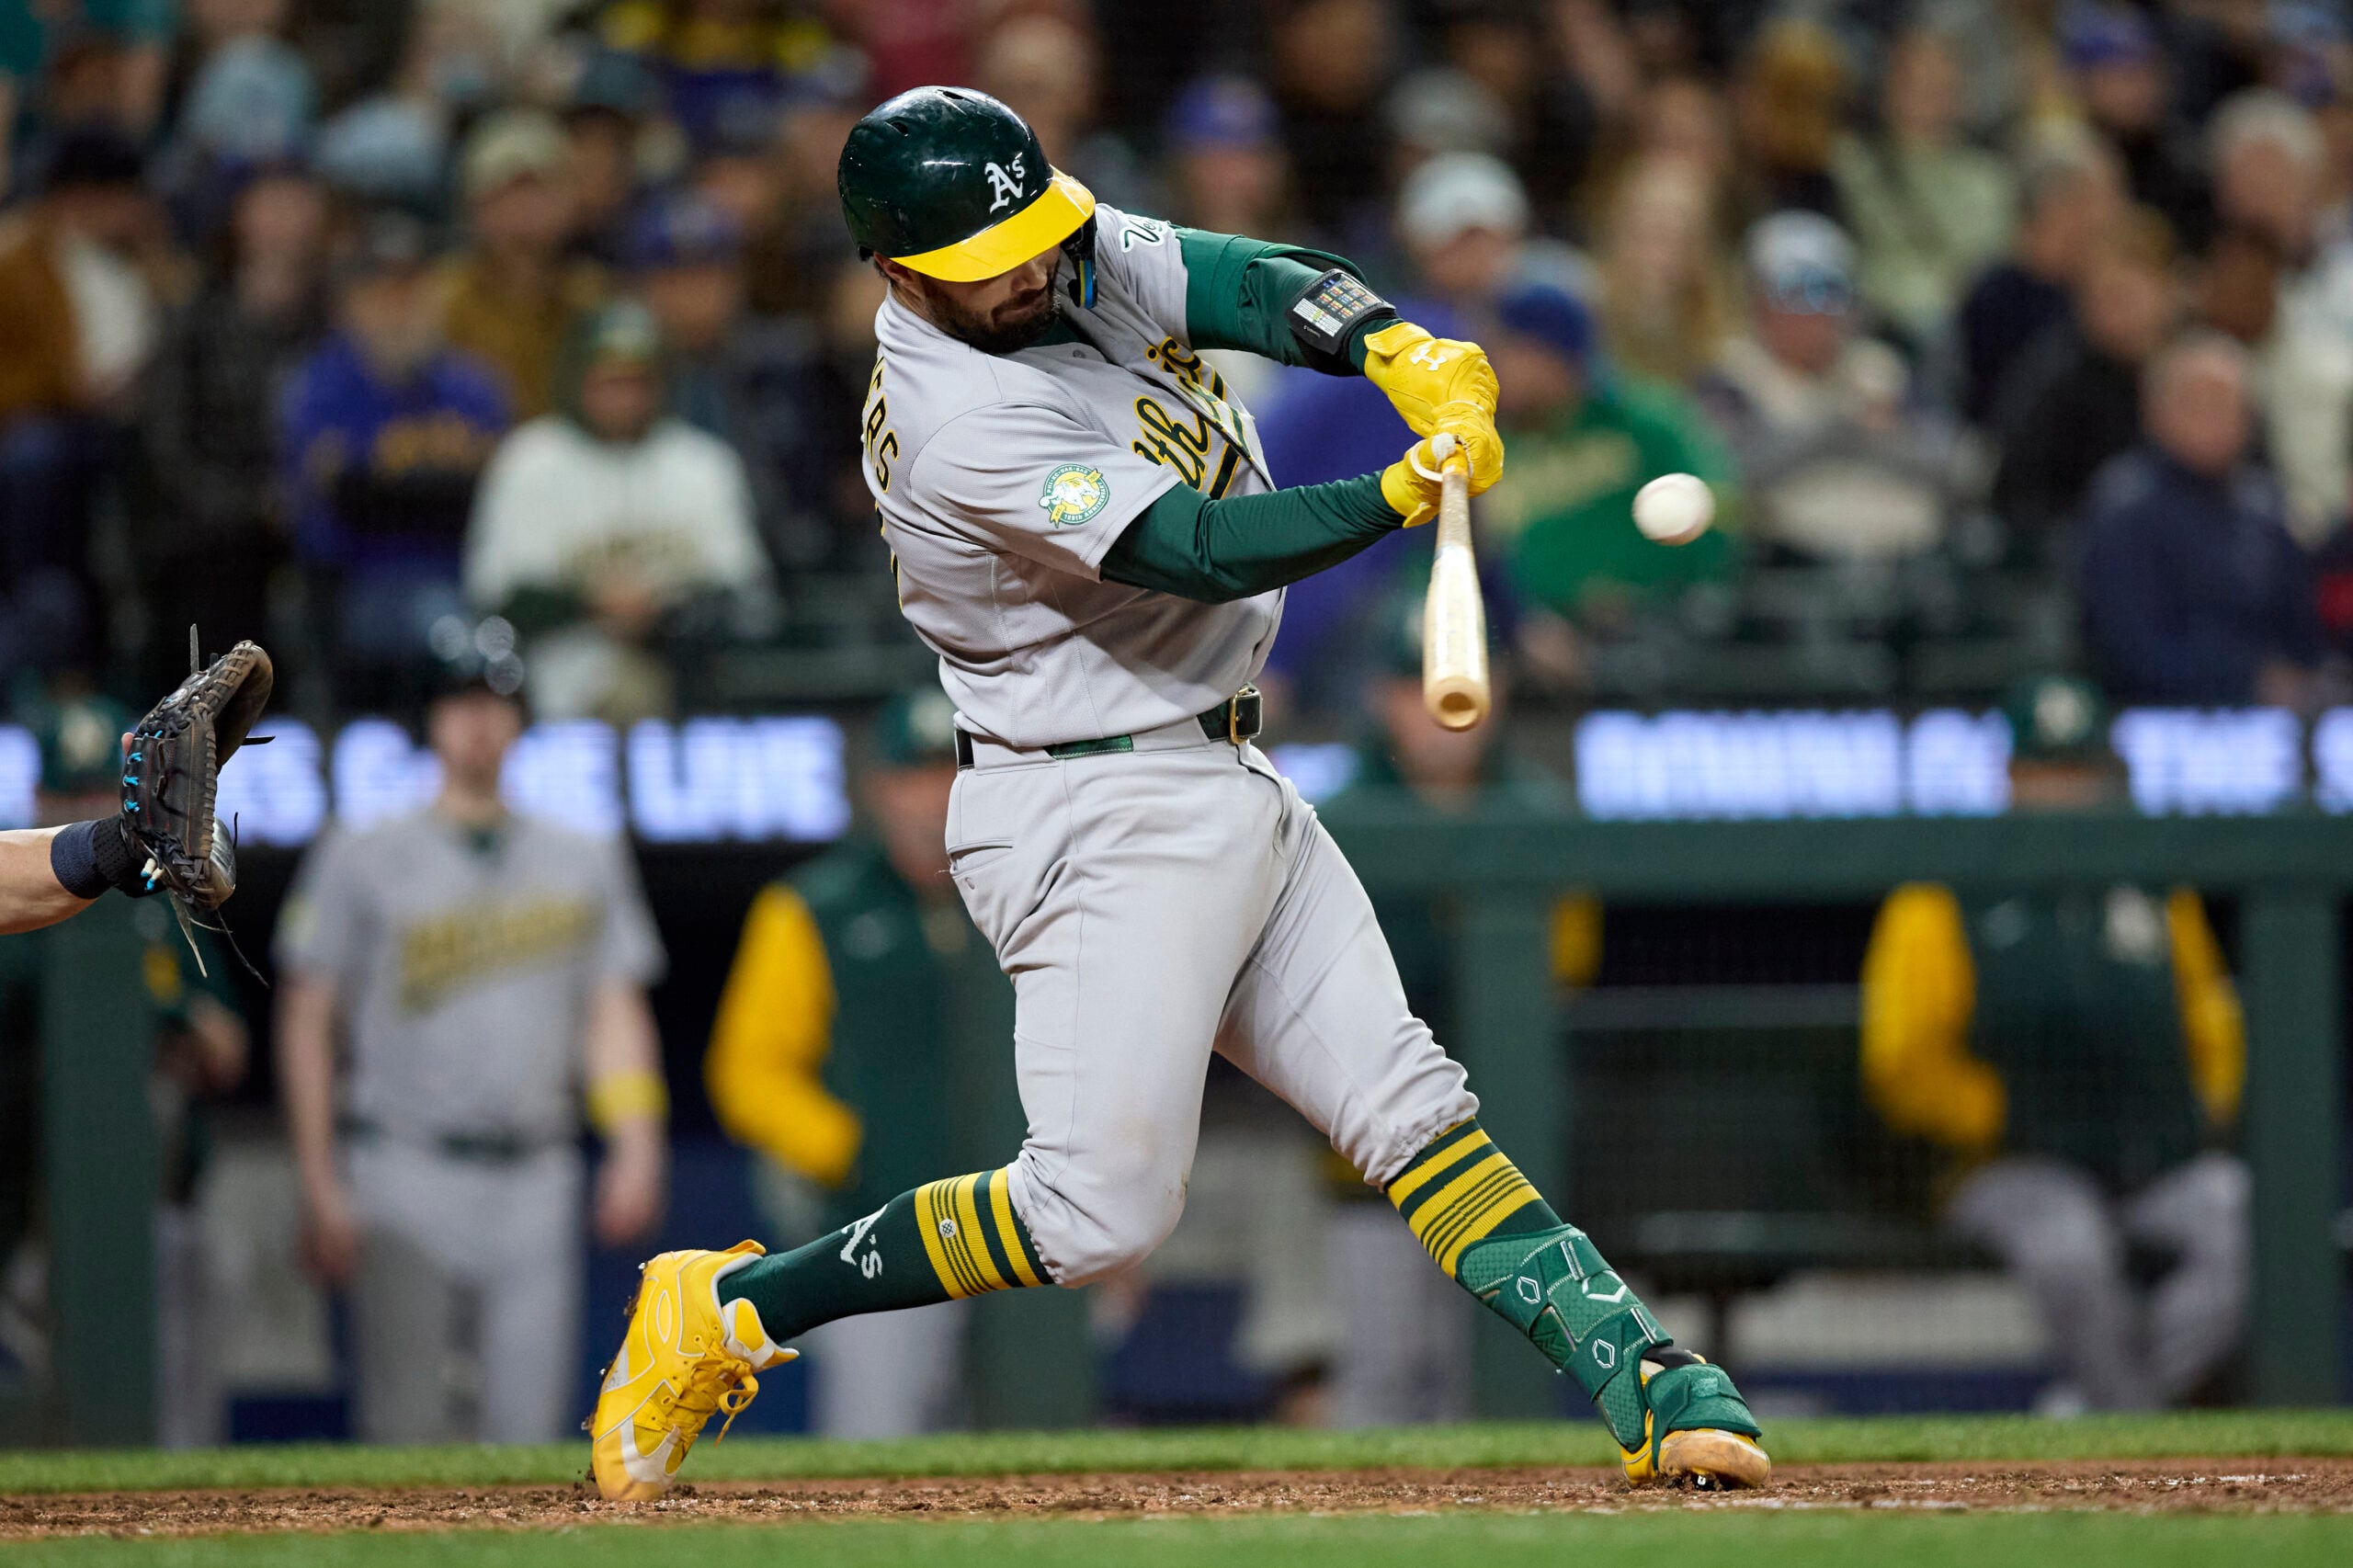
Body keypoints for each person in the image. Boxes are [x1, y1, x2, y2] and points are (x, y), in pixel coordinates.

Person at [591, 85, 1767, 1501]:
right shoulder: (957, 413)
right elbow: (1196, 549)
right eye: (984, 267)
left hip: (1216, 761)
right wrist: (1400, 492)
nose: (1029, 271)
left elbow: (1237, 279)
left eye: (1030, 238)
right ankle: (724, 1312)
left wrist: (1394, 343)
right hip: (1086, 805)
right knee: (1094, 1209)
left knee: (1410, 1105)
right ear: (899, 278)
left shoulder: (1052, 240)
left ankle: (1640, 1371)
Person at [274, 661, 668, 1444]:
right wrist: (320, 1180)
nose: (478, 721)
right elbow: (306, 1020)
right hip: (401, 1163)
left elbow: (613, 1012)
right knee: (404, 1430)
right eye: (458, 702)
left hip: (537, 1167)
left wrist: (637, 1145)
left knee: (529, 1431)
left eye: (496, 703)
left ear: (521, 721)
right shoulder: (361, 850)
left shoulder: (582, 851)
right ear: (429, 721)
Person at [1861, 674, 2249, 1413]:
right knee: (2069, 1246)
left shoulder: (2150, 880)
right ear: (2007, 776)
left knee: (2251, 1224)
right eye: (2043, 772)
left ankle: (2115, 1409)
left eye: (2076, 772)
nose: (2061, 791)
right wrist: (2007, 1116)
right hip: (2015, 1165)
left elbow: (2211, 1022)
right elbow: (1901, 1059)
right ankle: (2134, 1422)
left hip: (2155, 1160)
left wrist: (2194, 1107)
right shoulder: (1945, 890)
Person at [704, 687, 994, 1437]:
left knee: (1030, 1450)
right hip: (880, 1235)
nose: (933, 798)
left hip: (1018, 1228)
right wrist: (854, 1152)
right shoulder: (815, 906)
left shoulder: (1019, 895)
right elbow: (748, 1073)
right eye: (913, 776)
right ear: (878, 789)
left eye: (948, 774)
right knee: (882, 1443)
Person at [464, 299, 771, 722]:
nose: (626, 398)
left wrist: (661, 610)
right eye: (610, 383)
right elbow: (497, 597)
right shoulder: (530, 461)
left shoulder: (702, 463)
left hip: (687, 674)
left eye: (638, 382)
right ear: (576, 381)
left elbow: (744, 593)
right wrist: (593, 604)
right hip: (552, 678)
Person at [279, 210, 508, 692]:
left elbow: (501, 502)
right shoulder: (319, 391)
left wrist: (390, 489)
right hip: (362, 585)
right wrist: (440, 491)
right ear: (347, 305)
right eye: (380, 292)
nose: (398, 306)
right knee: (445, 626)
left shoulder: (474, 388)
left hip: (472, 577)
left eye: (411, 289)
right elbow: (335, 512)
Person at [140, 161, 329, 691]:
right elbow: (167, 452)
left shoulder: (338, 317)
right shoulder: (193, 322)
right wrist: (253, 506)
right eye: (272, 205)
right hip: (216, 527)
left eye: (299, 203)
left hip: (326, 514)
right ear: (239, 218)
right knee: (225, 565)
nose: (288, 221)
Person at [2077, 333, 2326, 707]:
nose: (2215, 420)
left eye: (2228, 404)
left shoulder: (2266, 503)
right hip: (2158, 715)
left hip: (2274, 713)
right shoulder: (2125, 506)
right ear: (2155, 412)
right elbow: (2131, 645)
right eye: (2198, 404)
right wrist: (2248, 680)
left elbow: (2301, 628)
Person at [1700, 211, 1963, 562]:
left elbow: (1958, 465)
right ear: (1757, 301)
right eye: (1793, 292)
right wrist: (1839, 431)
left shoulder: (1879, 369)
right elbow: (1724, 476)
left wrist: (1880, 439)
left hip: (1906, 564)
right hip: (1785, 567)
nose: (1815, 312)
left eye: (1829, 290)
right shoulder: (1732, 379)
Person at [1482, 278, 1737, 639]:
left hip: (1666, 630)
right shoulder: (1486, 441)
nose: (1493, 364)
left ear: (1552, 354)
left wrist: (1646, 594)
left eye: (1509, 351)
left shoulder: (1645, 422)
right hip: (1538, 647)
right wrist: (1524, 624)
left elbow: (1722, 513)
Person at [1990, 208, 2178, 556]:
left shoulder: (2197, 374)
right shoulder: (2052, 380)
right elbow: (2020, 499)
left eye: (2126, 296)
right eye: (2102, 297)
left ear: (2166, 293)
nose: (2114, 311)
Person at [1828, 25, 2015, 349]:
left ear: (1962, 96)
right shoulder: (1851, 165)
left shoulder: (1986, 178)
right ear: (1888, 91)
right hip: (1874, 322)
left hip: (1959, 328)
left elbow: (1986, 264)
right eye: (1916, 86)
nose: (1929, 99)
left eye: (1942, 87)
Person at [436, 109, 608, 420]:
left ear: (570, 202)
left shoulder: (596, 299)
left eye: (538, 191)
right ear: (475, 207)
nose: (523, 210)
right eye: (505, 194)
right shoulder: (440, 299)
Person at [1956, 140, 2126, 426]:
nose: (2115, 213)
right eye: (2105, 197)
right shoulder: (1996, 294)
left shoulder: (2095, 296)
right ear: (2061, 206)